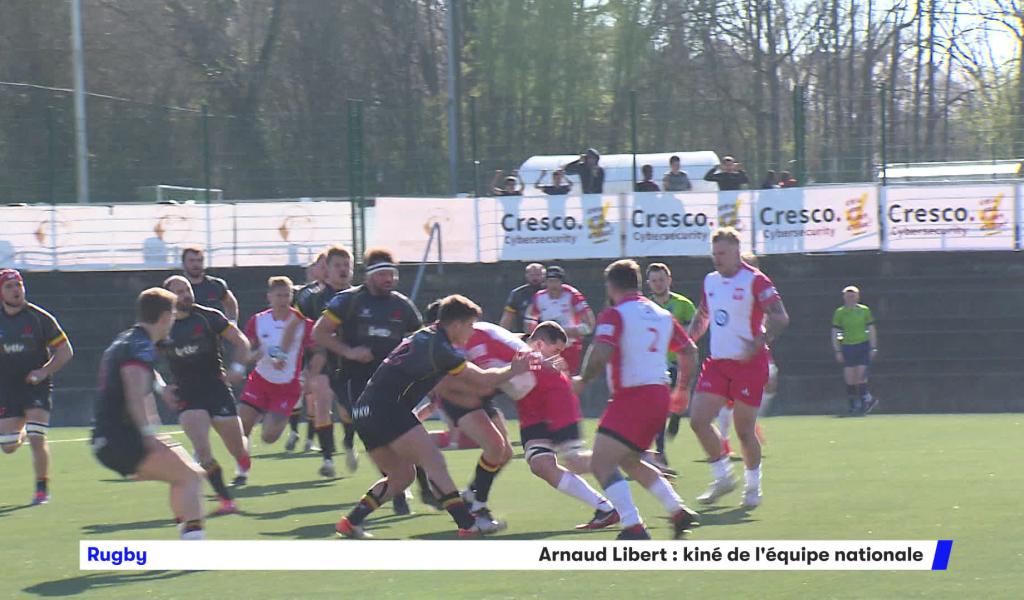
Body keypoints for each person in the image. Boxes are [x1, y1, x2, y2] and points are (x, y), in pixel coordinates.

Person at [334, 294, 533, 539]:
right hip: (386, 408)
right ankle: (468, 524)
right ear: (456, 325)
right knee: (434, 462)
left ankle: (350, 522)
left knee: (401, 477)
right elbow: (482, 379)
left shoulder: (425, 337)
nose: (472, 331)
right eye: (470, 325)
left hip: (363, 412)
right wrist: (513, 369)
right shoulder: (441, 348)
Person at [572, 259, 700, 540]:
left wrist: (582, 380)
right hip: (659, 395)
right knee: (629, 460)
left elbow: (601, 351)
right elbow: (689, 351)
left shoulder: (615, 314)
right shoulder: (661, 314)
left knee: (601, 464)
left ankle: (633, 526)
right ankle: (678, 511)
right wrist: (682, 389)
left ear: (611, 286)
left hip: (633, 396)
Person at [314, 247, 422, 514]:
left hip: (391, 381)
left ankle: (413, 485)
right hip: (354, 380)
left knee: (402, 432)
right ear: (369, 275)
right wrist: (349, 351)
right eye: (383, 274)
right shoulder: (348, 301)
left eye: (392, 274)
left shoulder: (402, 305)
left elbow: (417, 339)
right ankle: (398, 488)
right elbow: (320, 333)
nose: (389, 279)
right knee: (378, 433)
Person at [92, 288, 207, 539]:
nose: (174, 320)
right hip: (122, 439)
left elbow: (142, 377)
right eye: (173, 315)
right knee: (191, 478)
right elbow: (134, 392)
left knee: (187, 474)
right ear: (165, 317)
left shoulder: (128, 340)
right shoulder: (141, 346)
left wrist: (160, 389)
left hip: (109, 437)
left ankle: (187, 532)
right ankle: (194, 544)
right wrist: (147, 435)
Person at [687, 228, 790, 508]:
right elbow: (703, 314)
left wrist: (760, 341)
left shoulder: (756, 280)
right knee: (698, 420)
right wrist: (687, 340)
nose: (717, 258)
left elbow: (780, 317)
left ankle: (753, 486)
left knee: (744, 431)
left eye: (722, 253)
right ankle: (722, 477)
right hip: (718, 363)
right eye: (714, 253)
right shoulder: (710, 280)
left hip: (749, 365)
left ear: (736, 251)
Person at [161, 275, 253, 515]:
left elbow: (241, 341)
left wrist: (237, 368)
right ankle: (226, 501)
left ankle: (243, 456)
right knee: (202, 450)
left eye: (187, 289)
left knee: (237, 449)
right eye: (179, 291)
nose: (185, 295)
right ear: (168, 298)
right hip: (188, 394)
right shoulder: (161, 327)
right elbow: (143, 361)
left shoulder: (209, 316)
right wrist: (161, 386)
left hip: (216, 389)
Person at [525, 321, 620, 530]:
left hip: (557, 410)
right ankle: (606, 509)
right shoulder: (522, 350)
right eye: (556, 350)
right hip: (534, 415)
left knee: (574, 462)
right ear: (540, 343)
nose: (558, 357)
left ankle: (630, 459)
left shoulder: (535, 359)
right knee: (541, 465)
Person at [0, 269, 73, 505]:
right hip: (7, 388)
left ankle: (42, 488)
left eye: (18, 285)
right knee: (8, 446)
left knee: (36, 436)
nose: (16, 290)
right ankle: (20, 430)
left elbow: (65, 351)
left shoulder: (39, 318)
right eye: (9, 286)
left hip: (36, 386)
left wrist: (43, 372)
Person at [235, 276, 314, 484]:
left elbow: (316, 349)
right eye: (279, 295)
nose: (283, 300)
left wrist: (310, 373)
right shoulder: (258, 321)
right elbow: (247, 350)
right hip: (259, 381)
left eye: (287, 295)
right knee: (242, 427)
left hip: (287, 387)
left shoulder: (301, 323)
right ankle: (242, 471)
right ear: (269, 297)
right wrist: (255, 355)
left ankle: (271, 414)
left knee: (269, 437)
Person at [296, 245, 354, 474]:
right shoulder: (313, 298)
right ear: (326, 270)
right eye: (337, 265)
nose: (342, 269)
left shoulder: (358, 296)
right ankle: (328, 459)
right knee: (321, 403)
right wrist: (308, 359)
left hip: (350, 363)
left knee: (348, 411)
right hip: (322, 361)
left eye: (346, 265)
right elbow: (299, 329)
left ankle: (349, 442)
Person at [645, 263, 696, 470]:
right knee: (657, 409)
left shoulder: (683, 304)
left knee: (675, 401)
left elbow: (692, 333)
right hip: (654, 364)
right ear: (649, 283)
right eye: (654, 280)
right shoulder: (644, 307)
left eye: (661, 279)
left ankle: (676, 416)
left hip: (677, 362)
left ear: (669, 280)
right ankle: (660, 451)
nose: (658, 284)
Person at [285, 251, 327, 452]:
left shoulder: (341, 293)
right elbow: (292, 319)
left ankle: (309, 439)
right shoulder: (304, 293)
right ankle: (295, 432)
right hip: (303, 349)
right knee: (300, 392)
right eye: (320, 266)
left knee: (314, 395)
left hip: (322, 349)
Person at [524, 266, 596, 375]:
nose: (553, 285)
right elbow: (529, 321)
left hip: (569, 347)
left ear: (562, 282)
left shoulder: (572, 295)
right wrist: (537, 337)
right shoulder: (539, 297)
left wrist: (564, 332)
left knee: (567, 379)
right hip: (547, 349)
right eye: (550, 281)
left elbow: (589, 325)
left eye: (556, 281)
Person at [832, 285, 878, 416]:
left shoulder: (864, 310)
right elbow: (837, 331)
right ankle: (854, 405)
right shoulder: (840, 312)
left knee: (861, 376)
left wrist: (873, 347)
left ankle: (864, 403)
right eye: (848, 295)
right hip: (848, 346)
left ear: (857, 296)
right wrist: (838, 349)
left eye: (853, 295)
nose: (850, 298)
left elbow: (871, 329)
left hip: (862, 345)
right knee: (850, 378)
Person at [181, 246, 239, 322]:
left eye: (199, 260)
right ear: (183, 263)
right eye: (191, 261)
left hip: (213, 327)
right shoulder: (176, 286)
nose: (196, 264)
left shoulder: (216, 284)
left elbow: (230, 302)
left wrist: (232, 321)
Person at [499, 263, 545, 333]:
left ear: (544, 275)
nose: (535, 278)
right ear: (526, 275)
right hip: (524, 333)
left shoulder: (551, 291)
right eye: (532, 275)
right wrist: (502, 334)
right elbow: (508, 317)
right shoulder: (517, 293)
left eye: (538, 275)